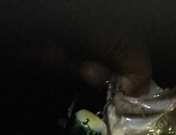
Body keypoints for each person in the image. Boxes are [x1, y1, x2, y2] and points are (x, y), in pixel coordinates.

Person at [0, 1, 152, 97]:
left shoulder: (78, 23)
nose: (29, 56)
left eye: (32, 44)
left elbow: (138, 68)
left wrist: (133, 80)